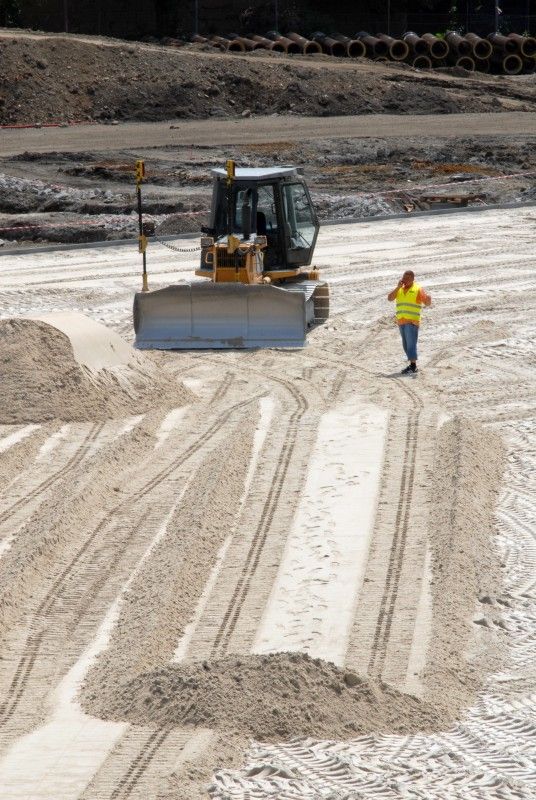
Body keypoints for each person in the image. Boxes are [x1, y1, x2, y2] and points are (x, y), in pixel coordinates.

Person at [387, 270, 431, 374]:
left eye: (407, 278)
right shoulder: (400, 289)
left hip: (412, 322)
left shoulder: (417, 289)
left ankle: (413, 366)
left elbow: (426, 303)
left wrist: (428, 300)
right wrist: (398, 287)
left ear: (412, 279)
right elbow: (390, 298)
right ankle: (412, 364)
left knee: (411, 344)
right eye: (404, 278)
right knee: (406, 344)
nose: (405, 280)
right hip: (401, 321)